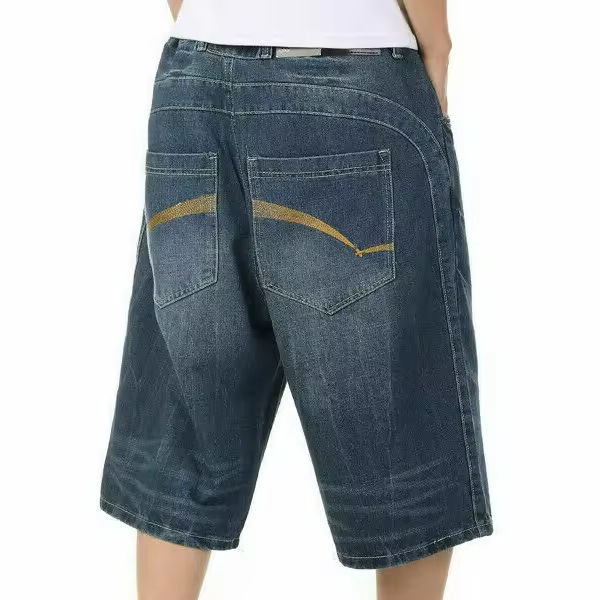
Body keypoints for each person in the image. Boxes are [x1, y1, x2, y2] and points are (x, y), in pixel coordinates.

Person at [100, 1, 493, 598]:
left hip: (194, 83)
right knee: (400, 420)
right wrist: (437, 50)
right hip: (351, 80)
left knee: (185, 413)